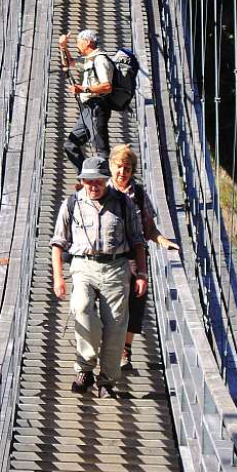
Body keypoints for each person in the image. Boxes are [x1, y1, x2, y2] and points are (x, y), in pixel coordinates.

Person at [50, 157, 147, 398]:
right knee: (81, 308)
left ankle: (108, 381)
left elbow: (138, 241)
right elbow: (58, 244)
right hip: (83, 266)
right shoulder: (71, 204)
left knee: (115, 327)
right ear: (82, 181)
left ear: (106, 181)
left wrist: (142, 274)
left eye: (99, 182)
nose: (94, 186)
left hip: (116, 268)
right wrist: (58, 278)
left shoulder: (124, 204)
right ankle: (85, 367)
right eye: (89, 181)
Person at [106, 145, 180, 369]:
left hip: (135, 256)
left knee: (136, 302)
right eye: (119, 167)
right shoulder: (101, 190)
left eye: (127, 168)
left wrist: (164, 241)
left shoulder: (139, 195)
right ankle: (109, 347)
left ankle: (125, 351)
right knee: (108, 303)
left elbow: (149, 230)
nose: (122, 172)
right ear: (111, 166)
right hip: (108, 257)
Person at [58, 29, 114, 172]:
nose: (77, 46)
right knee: (71, 145)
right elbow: (68, 64)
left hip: (98, 107)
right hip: (88, 109)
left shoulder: (100, 59)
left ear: (87, 42)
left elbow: (107, 86)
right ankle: (87, 176)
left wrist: (83, 89)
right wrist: (63, 47)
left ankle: (106, 182)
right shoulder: (88, 59)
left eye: (78, 43)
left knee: (101, 150)